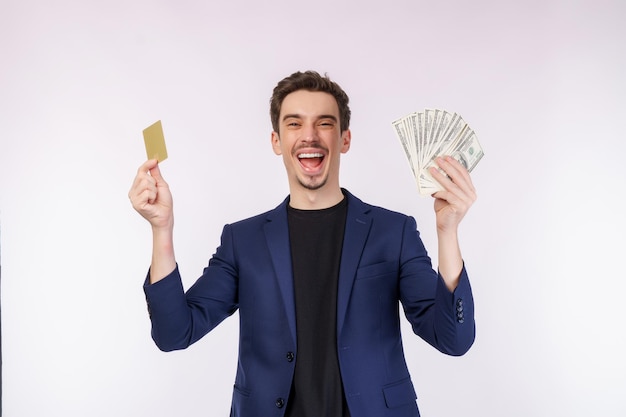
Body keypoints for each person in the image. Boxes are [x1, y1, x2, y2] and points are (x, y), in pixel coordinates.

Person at [129, 70, 477, 417]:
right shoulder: (243, 241)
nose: (309, 136)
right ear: (276, 141)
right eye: (294, 124)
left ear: (345, 139)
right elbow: (174, 333)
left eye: (324, 123)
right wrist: (162, 229)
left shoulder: (393, 232)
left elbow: (452, 340)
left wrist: (447, 232)